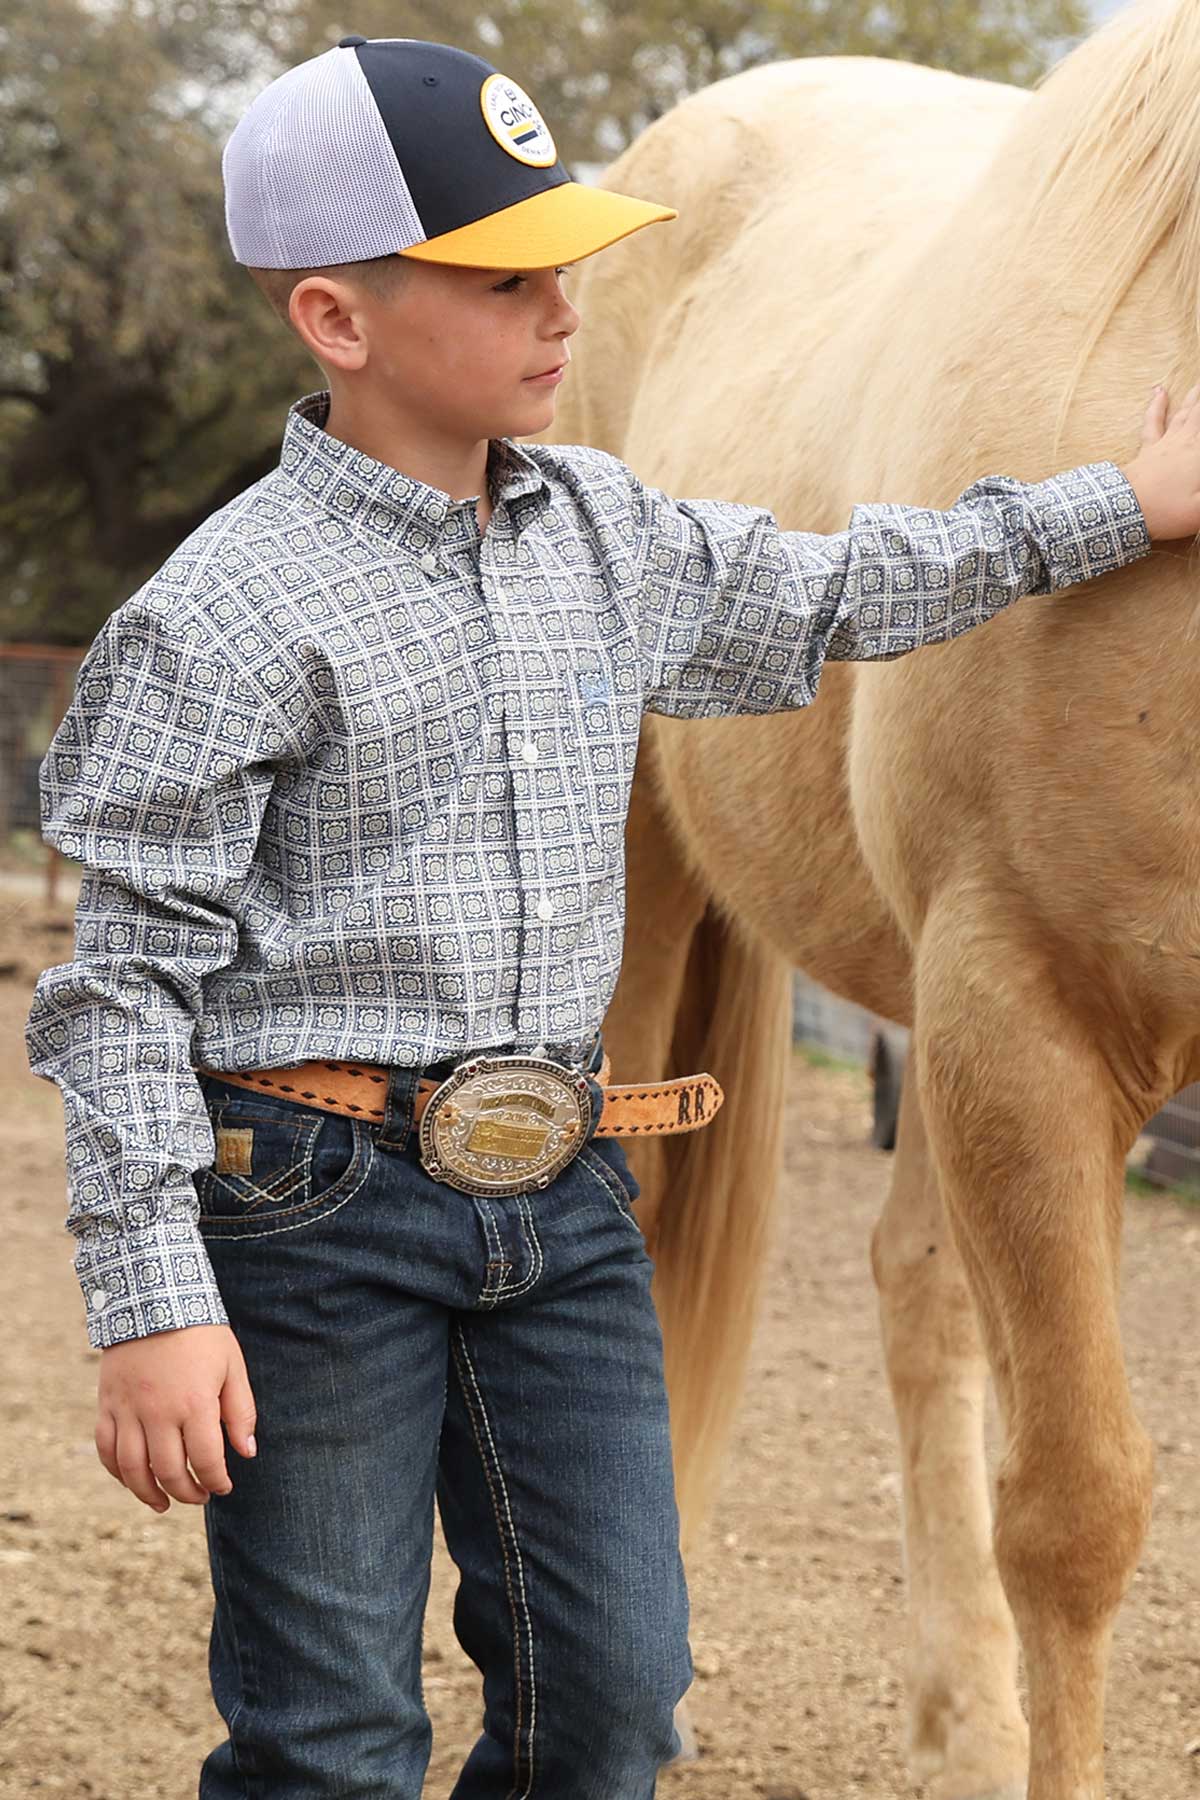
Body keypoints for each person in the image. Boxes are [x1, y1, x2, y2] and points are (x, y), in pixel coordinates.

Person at [22, 34, 1200, 1800]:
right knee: (331, 1721)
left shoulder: (605, 533)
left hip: (559, 1204)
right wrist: (147, 1297)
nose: (570, 309)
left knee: (621, 1696)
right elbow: (117, 984)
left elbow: (852, 583)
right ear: (338, 324)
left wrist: (1122, 503)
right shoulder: (217, 618)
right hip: (317, 1205)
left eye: (569, 261)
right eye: (508, 280)